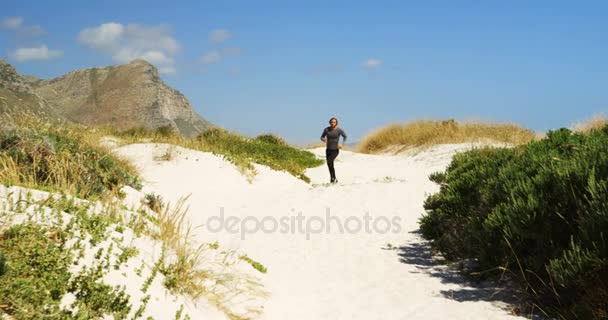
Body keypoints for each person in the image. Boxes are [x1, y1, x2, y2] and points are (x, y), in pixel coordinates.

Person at [320, 117, 347, 183]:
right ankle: (333, 178)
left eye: (334, 122)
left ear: (336, 123)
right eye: (332, 122)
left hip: (335, 150)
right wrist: (323, 139)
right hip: (328, 150)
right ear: (330, 122)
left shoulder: (339, 130)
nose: (333, 123)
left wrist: (342, 144)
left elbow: (345, 136)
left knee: (329, 161)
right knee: (330, 164)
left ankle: (333, 178)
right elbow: (321, 136)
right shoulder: (326, 129)